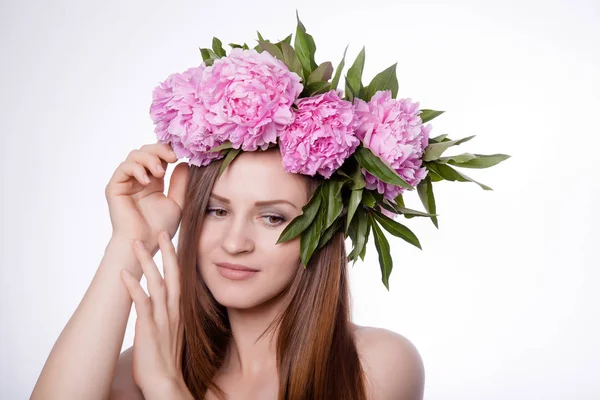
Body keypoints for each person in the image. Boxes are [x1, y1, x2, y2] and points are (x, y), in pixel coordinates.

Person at [31, 142, 425, 400]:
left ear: (322, 231)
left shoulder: (375, 364)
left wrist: (166, 390)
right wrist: (129, 243)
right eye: (216, 211)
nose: (235, 243)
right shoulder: (151, 361)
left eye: (272, 218)